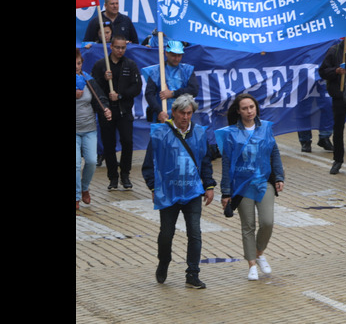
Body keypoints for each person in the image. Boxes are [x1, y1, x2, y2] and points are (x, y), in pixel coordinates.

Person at [141, 94, 215, 289]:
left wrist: (209, 186)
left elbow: (205, 161)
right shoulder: (160, 133)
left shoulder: (199, 133)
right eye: (182, 113)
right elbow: (148, 164)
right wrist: (153, 187)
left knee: (195, 233)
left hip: (192, 191)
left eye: (189, 113)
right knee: (166, 234)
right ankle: (164, 260)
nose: (185, 117)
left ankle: (192, 273)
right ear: (173, 112)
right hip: (168, 192)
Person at [217, 93, 285, 281]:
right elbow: (226, 162)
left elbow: (274, 152)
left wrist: (279, 176)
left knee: (267, 222)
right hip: (242, 185)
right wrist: (226, 192)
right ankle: (252, 264)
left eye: (252, 107)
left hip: (264, 182)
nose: (249, 111)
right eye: (245, 108)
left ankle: (259, 252)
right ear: (238, 111)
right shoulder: (231, 134)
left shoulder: (266, 128)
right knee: (248, 225)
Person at [92, 35, 143, 190]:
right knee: (109, 145)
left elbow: (137, 87)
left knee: (127, 142)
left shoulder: (130, 65)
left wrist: (120, 95)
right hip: (107, 112)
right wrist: (103, 78)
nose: (120, 50)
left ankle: (125, 174)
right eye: (117, 47)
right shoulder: (101, 65)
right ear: (111, 47)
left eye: (123, 48)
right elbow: (94, 89)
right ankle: (112, 177)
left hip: (124, 110)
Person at [77, 48, 112, 210]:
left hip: (89, 128)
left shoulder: (88, 80)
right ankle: (77, 197)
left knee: (91, 161)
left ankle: (85, 188)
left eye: (78, 63)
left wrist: (105, 108)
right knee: (76, 164)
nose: (76, 67)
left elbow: (100, 98)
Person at [316, 36, 346, 162]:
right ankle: (338, 159)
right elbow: (323, 71)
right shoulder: (335, 50)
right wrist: (336, 71)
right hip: (339, 96)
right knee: (338, 129)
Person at [143, 40, 199, 124]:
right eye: (173, 55)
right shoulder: (156, 71)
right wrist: (159, 112)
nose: (176, 58)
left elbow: (194, 90)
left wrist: (172, 93)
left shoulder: (187, 70)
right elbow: (149, 94)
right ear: (166, 53)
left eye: (179, 56)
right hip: (163, 116)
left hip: (183, 116)